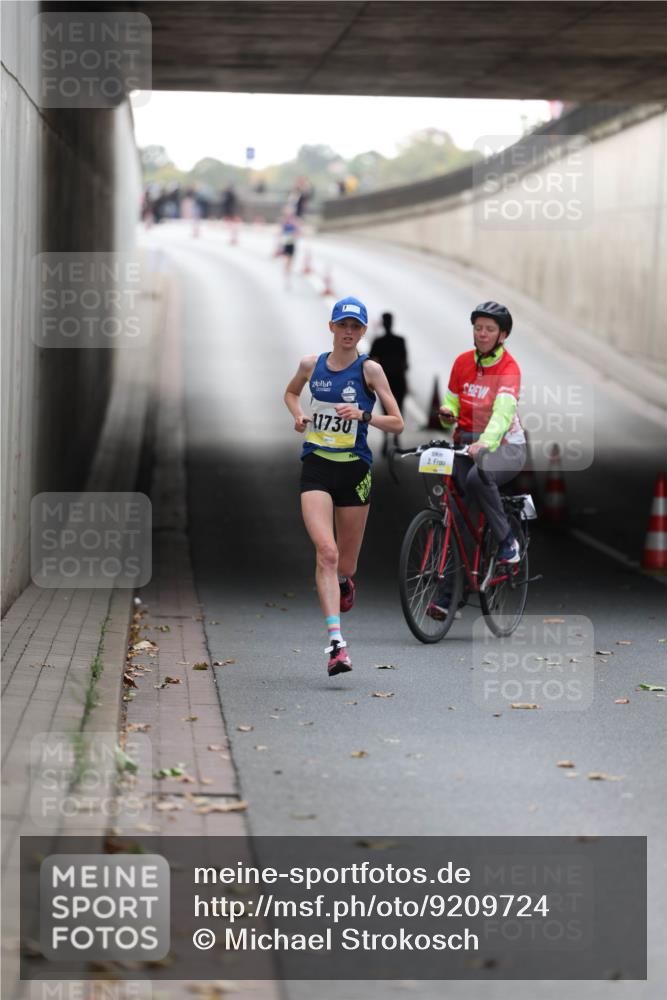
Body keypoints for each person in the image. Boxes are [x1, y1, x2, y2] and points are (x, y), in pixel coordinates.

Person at [284, 297, 404, 676]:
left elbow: (398, 422)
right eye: (343, 325)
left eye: (356, 326)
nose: (349, 332)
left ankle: (344, 582)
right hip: (317, 466)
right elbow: (290, 393)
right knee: (327, 551)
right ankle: (337, 645)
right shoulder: (311, 365)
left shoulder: (370, 371)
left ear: (364, 331)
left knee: (346, 564)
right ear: (332, 327)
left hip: (355, 471)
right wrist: (299, 414)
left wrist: (364, 414)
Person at [429, 300, 526, 620]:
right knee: (451, 514)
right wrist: (447, 415)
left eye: (489, 329)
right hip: (465, 446)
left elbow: (502, 413)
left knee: (476, 478)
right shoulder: (461, 363)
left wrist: (486, 442)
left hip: (505, 447)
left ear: (502, 335)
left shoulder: (508, 369)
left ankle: (507, 542)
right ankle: (447, 597)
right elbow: (451, 405)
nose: (482, 334)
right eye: (478, 328)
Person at [369, 312, 409, 452]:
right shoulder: (400, 341)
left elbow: (370, 361)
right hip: (398, 380)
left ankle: (386, 440)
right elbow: (405, 364)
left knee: (386, 411)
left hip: (385, 382)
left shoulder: (378, 342)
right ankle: (396, 439)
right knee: (399, 410)